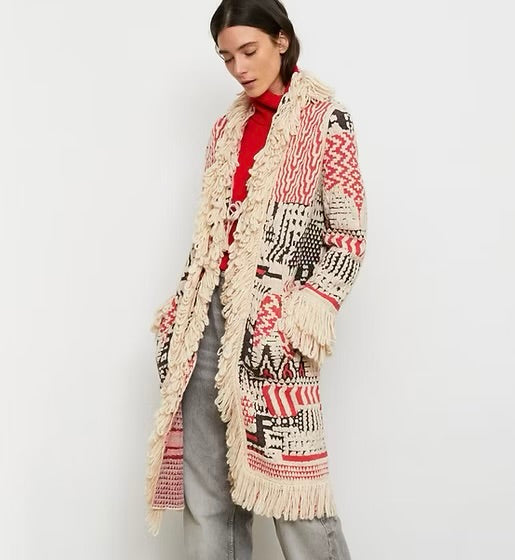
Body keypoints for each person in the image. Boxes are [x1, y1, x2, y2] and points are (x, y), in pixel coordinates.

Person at [146, 1, 368, 558]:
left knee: (296, 496)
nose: (239, 68)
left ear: (281, 40)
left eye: (249, 51)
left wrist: (304, 311)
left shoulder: (324, 119)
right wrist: (182, 303)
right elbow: (210, 230)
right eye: (227, 58)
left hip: (272, 327)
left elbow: (348, 233)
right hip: (205, 323)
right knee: (208, 498)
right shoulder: (226, 128)